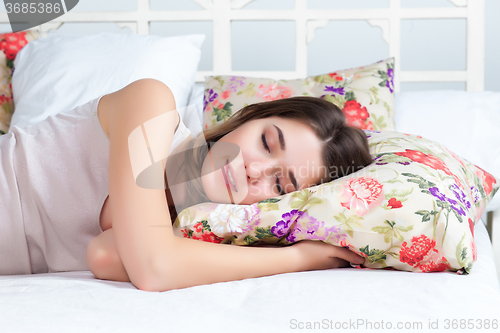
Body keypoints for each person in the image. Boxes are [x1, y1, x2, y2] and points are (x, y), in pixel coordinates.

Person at [0, 78, 371, 291]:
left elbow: (106, 254)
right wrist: (298, 258)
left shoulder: (193, 229)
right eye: (265, 142)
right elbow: (153, 267)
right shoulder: (152, 103)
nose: (255, 170)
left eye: (279, 184)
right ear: (248, 117)